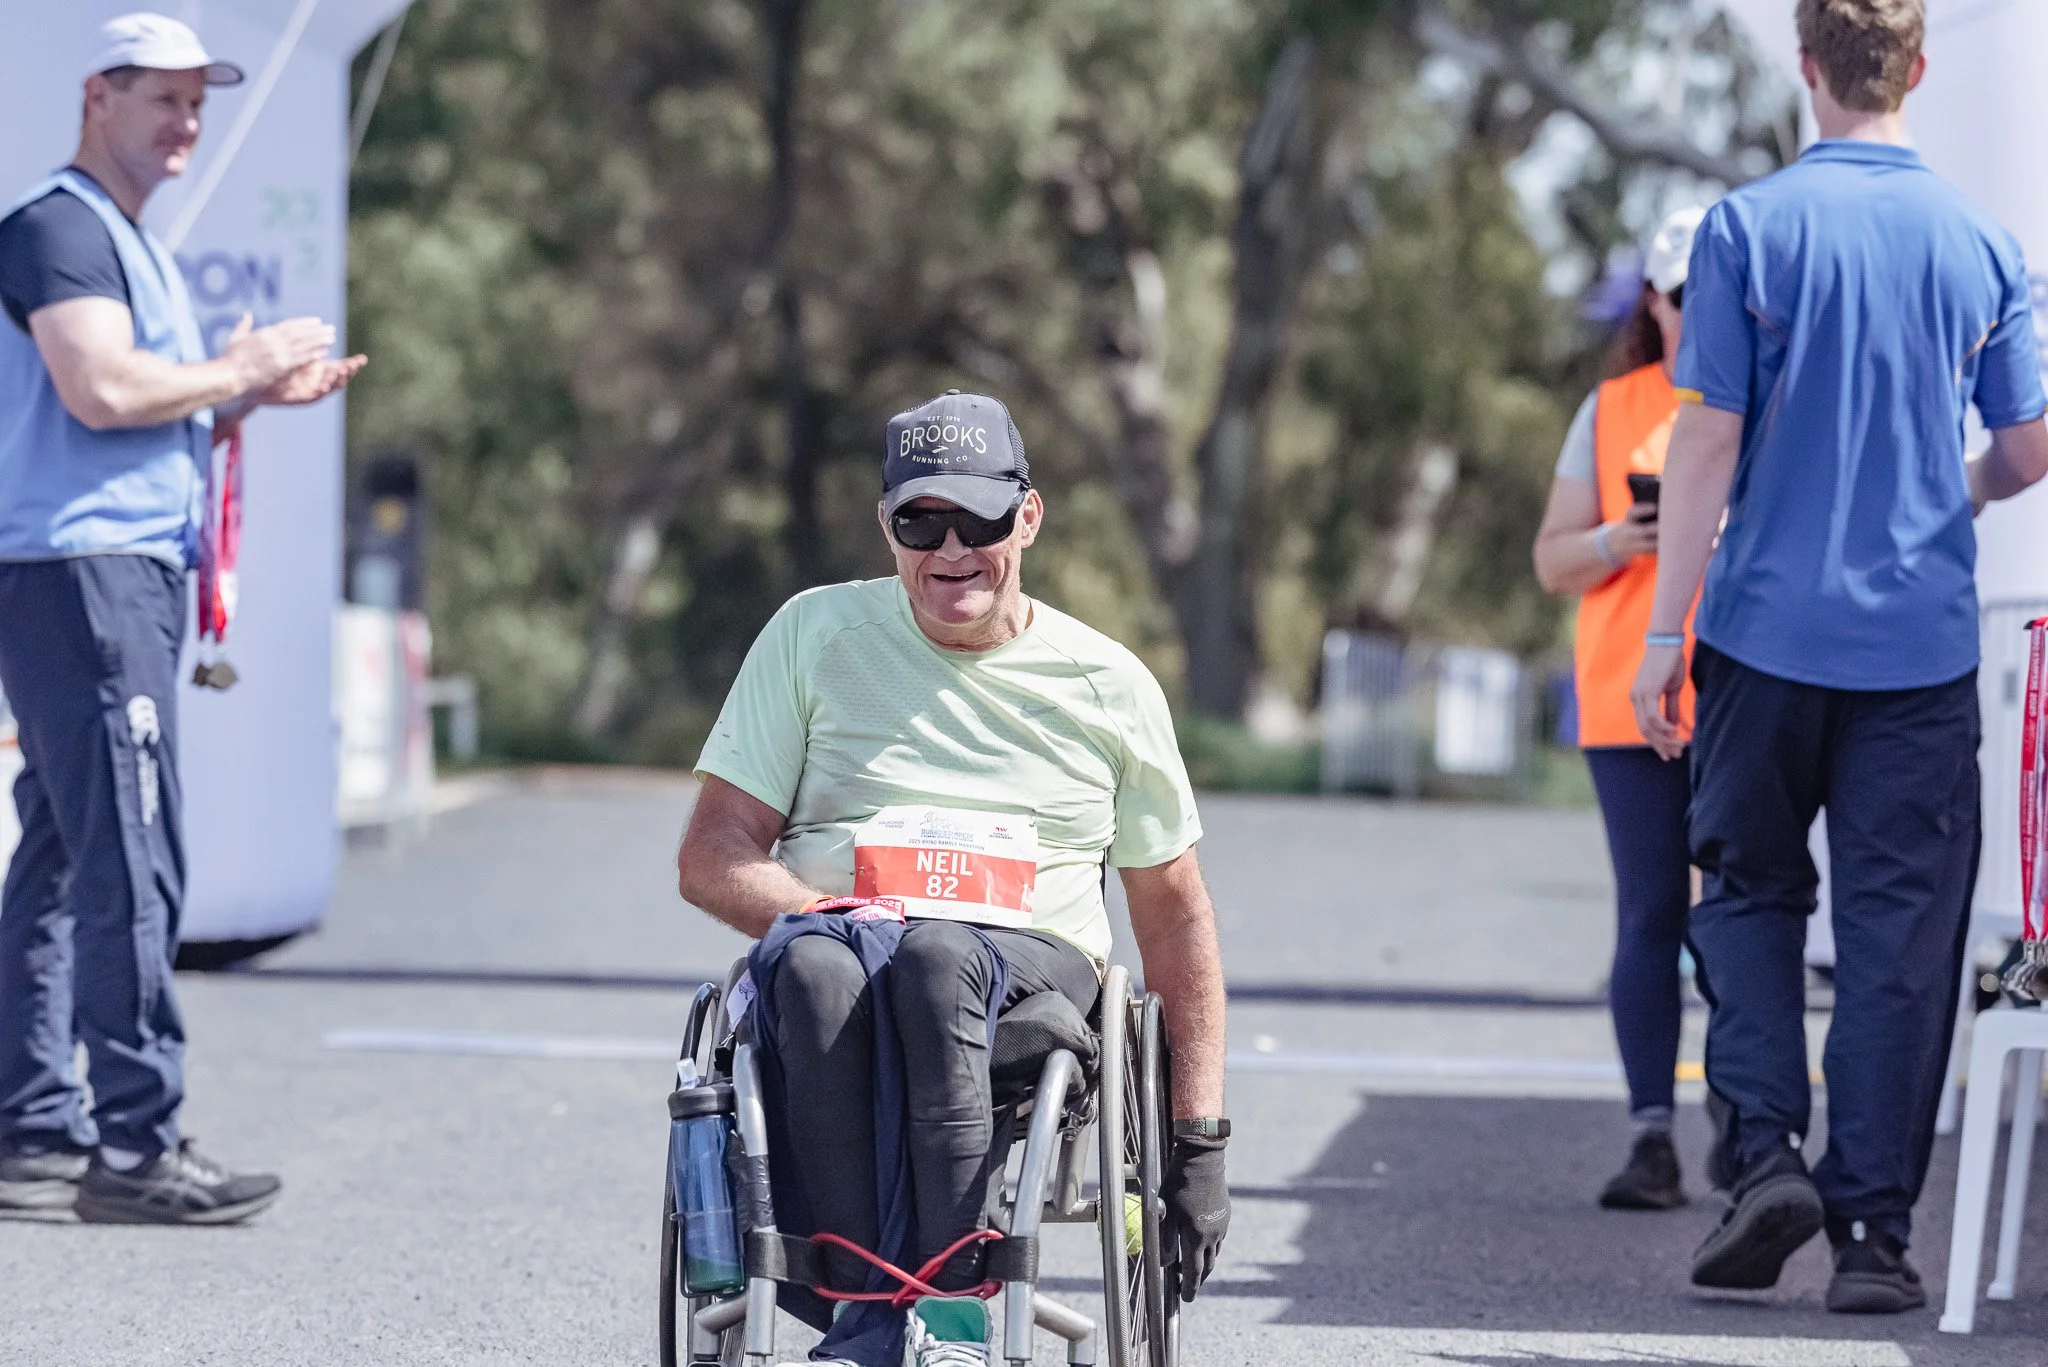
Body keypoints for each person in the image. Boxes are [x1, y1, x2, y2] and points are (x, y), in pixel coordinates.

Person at [1630, 0, 2048, 1314]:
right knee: (1900, 942)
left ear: (1803, 66)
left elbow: (1703, 446)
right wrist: (1956, 490)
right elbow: (2030, 448)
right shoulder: (1986, 242)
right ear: (1916, 69)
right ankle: (1874, 1231)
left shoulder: (1751, 227)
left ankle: (1763, 1155)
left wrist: (1662, 632)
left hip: (1760, 634)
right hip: (1916, 651)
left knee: (1747, 895)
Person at [676, 390, 1229, 1367]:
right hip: (842, 945)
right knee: (811, 967)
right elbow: (712, 855)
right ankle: (869, 1313)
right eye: (918, 520)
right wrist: (829, 912)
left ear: (1027, 515)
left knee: (937, 960)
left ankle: (954, 1312)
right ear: (884, 522)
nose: (950, 548)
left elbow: (1175, 920)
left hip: (1023, 964)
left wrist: (1199, 1141)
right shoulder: (814, 634)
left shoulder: (1105, 684)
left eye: (976, 518)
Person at [0, 13, 366, 1224]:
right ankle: (138, 1143)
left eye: (198, 102)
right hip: (88, 576)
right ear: (97, 97)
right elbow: (100, 389)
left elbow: (131, 407)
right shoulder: (59, 227)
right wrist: (234, 375)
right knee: (132, 858)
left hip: (97, 575)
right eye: (163, 99)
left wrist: (242, 399)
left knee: (64, 853)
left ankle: (33, 1125)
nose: (188, 124)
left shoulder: (112, 238)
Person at [1533, 205, 1703, 1212]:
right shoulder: (1609, 409)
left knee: (1738, 913)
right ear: (1653, 298)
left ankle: (1749, 1126)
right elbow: (1549, 558)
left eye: (1717, 296)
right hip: (1619, 703)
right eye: (1682, 296)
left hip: (1739, 689)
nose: (1698, 313)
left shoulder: (1767, 394)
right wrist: (1619, 539)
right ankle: (1651, 1131)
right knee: (1651, 910)